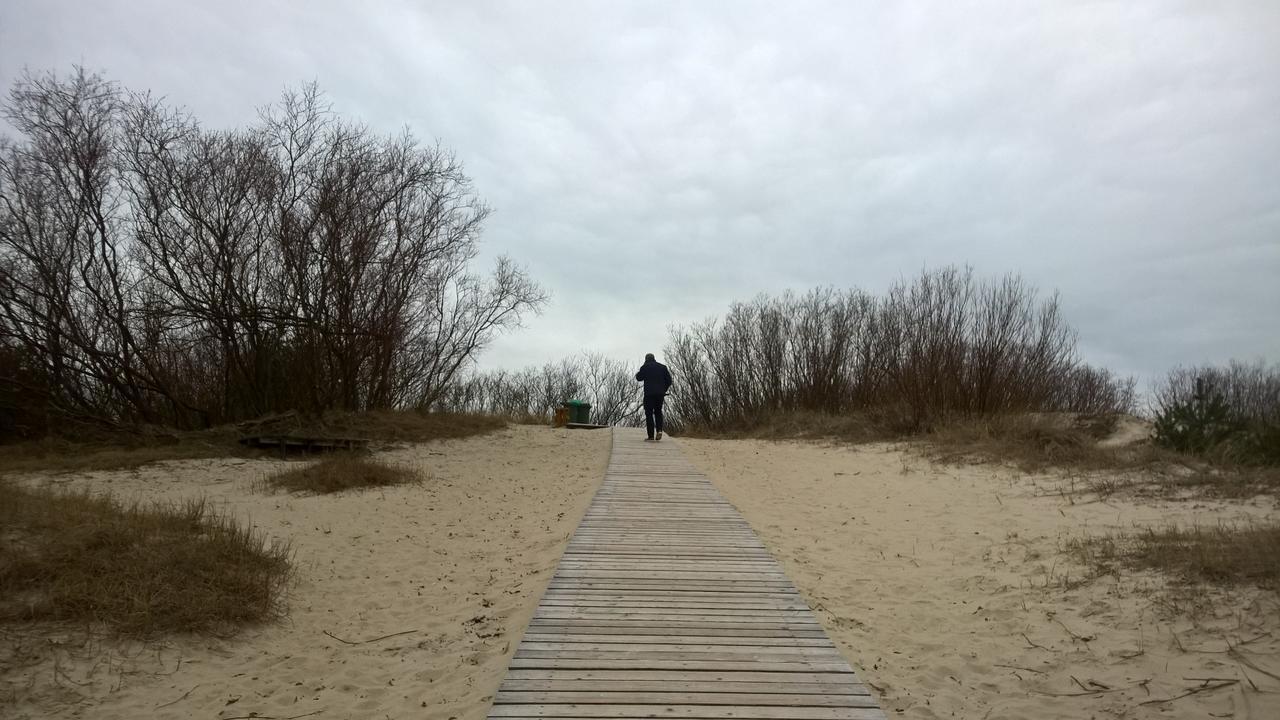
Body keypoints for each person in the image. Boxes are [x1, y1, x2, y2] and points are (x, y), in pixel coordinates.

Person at [635, 353, 673, 442]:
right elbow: (669, 381)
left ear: (646, 359)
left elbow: (639, 378)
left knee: (649, 413)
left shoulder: (645, 367)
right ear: (654, 358)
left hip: (649, 394)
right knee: (658, 412)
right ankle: (659, 430)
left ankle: (651, 436)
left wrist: (640, 371)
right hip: (660, 394)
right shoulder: (663, 367)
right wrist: (664, 389)